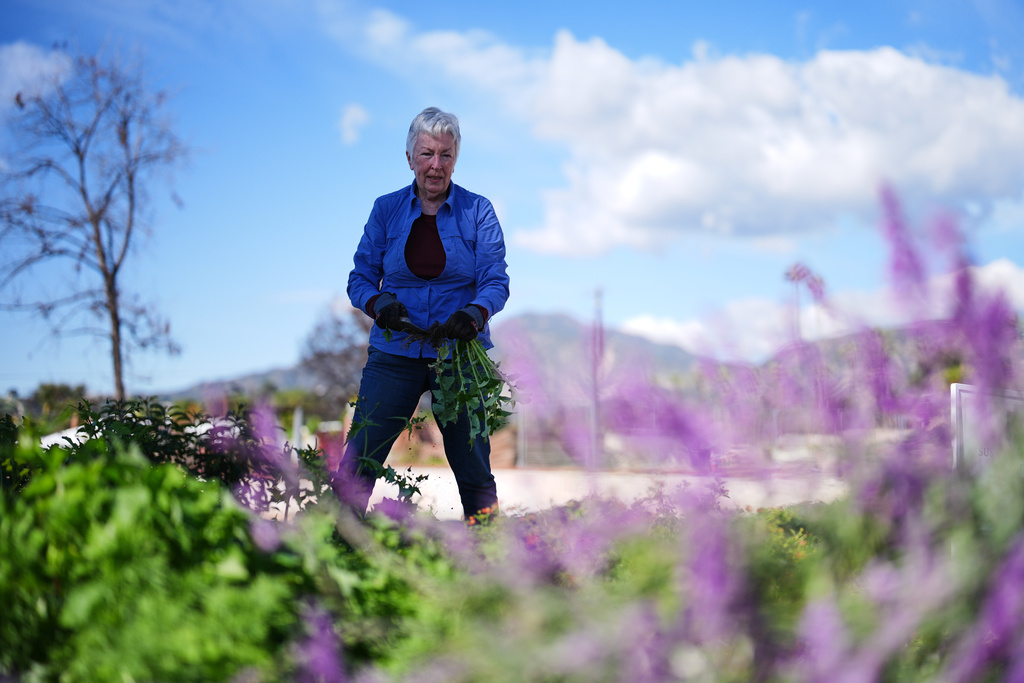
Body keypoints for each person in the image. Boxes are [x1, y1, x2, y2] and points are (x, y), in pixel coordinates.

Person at [338, 107, 510, 523]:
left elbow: (495, 281)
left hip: (459, 356)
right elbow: (360, 278)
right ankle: (334, 547)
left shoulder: (478, 211)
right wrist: (380, 305)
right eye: (427, 153)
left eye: (446, 155)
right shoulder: (386, 210)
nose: (437, 165)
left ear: (455, 158)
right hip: (394, 353)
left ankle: (489, 554)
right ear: (410, 157)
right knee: (360, 458)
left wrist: (473, 314)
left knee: (473, 466)